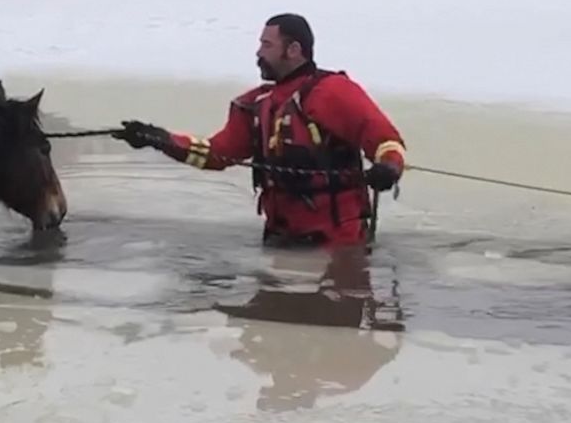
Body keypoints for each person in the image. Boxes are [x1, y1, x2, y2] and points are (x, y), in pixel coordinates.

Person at [112, 13, 406, 251]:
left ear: (293, 50)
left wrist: (389, 168)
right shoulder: (257, 104)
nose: (258, 52)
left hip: (338, 247)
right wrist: (160, 139)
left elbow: (386, 140)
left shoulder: (332, 92)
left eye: (267, 45)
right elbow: (216, 154)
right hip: (281, 240)